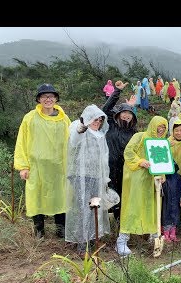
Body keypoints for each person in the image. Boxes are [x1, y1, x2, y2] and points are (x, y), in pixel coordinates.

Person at [14, 83, 71, 239]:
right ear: (39, 99)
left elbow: (71, 141)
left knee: (61, 197)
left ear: (56, 99)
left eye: (51, 96)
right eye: (44, 96)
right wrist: (23, 166)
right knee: (36, 197)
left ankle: (61, 229)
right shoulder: (30, 118)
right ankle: (39, 231)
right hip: (37, 167)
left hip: (59, 167)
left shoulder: (63, 118)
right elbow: (22, 142)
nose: (48, 99)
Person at [115, 116, 169, 256]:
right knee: (132, 207)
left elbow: (162, 162)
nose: (161, 129)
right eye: (159, 126)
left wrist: (162, 175)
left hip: (152, 181)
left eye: (163, 127)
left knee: (152, 206)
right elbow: (128, 152)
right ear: (152, 125)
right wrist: (140, 161)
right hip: (136, 179)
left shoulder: (162, 143)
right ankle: (122, 240)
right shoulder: (139, 136)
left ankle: (152, 235)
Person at [65, 105, 113, 253]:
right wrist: (81, 127)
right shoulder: (79, 127)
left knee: (95, 208)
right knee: (83, 208)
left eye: (100, 120)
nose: (97, 122)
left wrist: (105, 178)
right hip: (81, 176)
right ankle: (81, 241)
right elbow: (74, 139)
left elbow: (104, 159)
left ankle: (93, 238)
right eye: (94, 119)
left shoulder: (100, 135)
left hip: (96, 177)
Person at [102, 81, 137, 224]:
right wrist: (117, 91)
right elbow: (105, 108)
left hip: (126, 168)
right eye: (124, 113)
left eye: (129, 114)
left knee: (124, 194)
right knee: (110, 193)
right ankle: (105, 222)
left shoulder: (134, 132)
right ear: (118, 114)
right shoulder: (111, 125)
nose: (126, 116)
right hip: (110, 167)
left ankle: (119, 222)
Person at [161, 162, 181, 242]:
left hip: (176, 201)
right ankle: (166, 234)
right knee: (166, 218)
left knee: (175, 217)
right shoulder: (162, 177)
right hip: (166, 201)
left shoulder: (178, 177)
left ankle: (173, 234)